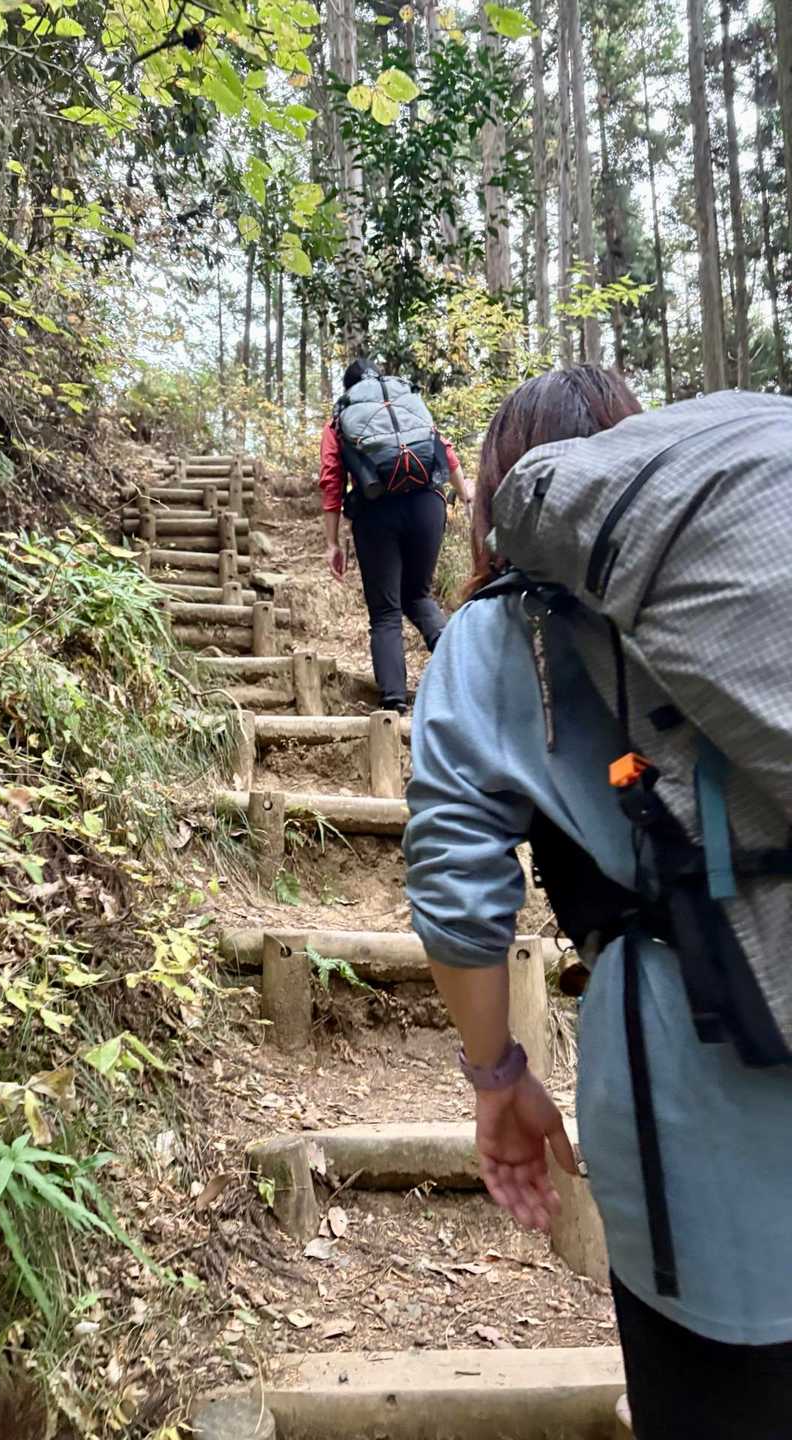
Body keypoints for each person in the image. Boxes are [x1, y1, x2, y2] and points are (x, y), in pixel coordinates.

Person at [403, 365, 792, 1440]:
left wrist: (498, 1075)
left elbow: (454, 883)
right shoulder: (745, 579)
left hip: (689, 1070)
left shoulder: (504, 631)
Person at [320, 358, 470, 714]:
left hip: (376, 511)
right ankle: (464, 672)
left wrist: (332, 543)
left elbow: (331, 480)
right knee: (417, 595)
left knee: (385, 611)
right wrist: (466, 495)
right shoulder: (406, 403)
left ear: (348, 388)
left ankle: (393, 703)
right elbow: (444, 449)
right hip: (427, 504)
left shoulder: (340, 418)